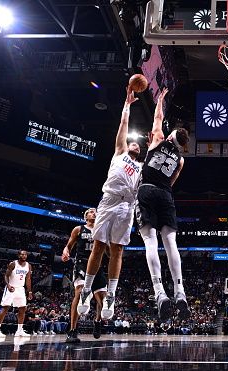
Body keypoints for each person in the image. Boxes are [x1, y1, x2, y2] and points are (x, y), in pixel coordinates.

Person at [78, 87, 143, 320]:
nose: (135, 144)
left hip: (127, 206)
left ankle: (111, 296)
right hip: (108, 201)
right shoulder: (120, 153)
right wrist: (127, 104)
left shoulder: (141, 169)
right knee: (98, 246)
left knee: (117, 250)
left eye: (138, 145)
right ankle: (86, 289)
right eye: (132, 143)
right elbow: (123, 127)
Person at [136, 88, 191, 320]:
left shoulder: (158, 138)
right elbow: (172, 181)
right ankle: (180, 293)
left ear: (170, 136)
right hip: (166, 195)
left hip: (147, 190)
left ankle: (160, 293)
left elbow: (158, 118)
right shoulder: (180, 159)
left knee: (150, 242)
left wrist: (160, 100)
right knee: (171, 244)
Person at [62, 207, 108, 342]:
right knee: (79, 291)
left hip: (97, 266)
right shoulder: (78, 229)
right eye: (91, 212)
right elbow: (68, 246)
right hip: (81, 264)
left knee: (101, 298)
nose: (94, 213)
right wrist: (66, 252)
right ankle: (72, 330)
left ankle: (98, 321)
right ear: (86, 216)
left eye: (96, 212)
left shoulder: (102, 230)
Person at [0, 250, 33, 338]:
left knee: (23, 309)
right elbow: (6, 276)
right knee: (5, 308)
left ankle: (20, 330)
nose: (24, 256)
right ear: (18, 255)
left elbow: (28, 279)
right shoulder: (13, 264)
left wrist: (30, 291)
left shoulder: (28, 266)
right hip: (11, 288)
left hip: (21, 289)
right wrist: (8, 285)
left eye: (25, 254)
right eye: (22, 254)